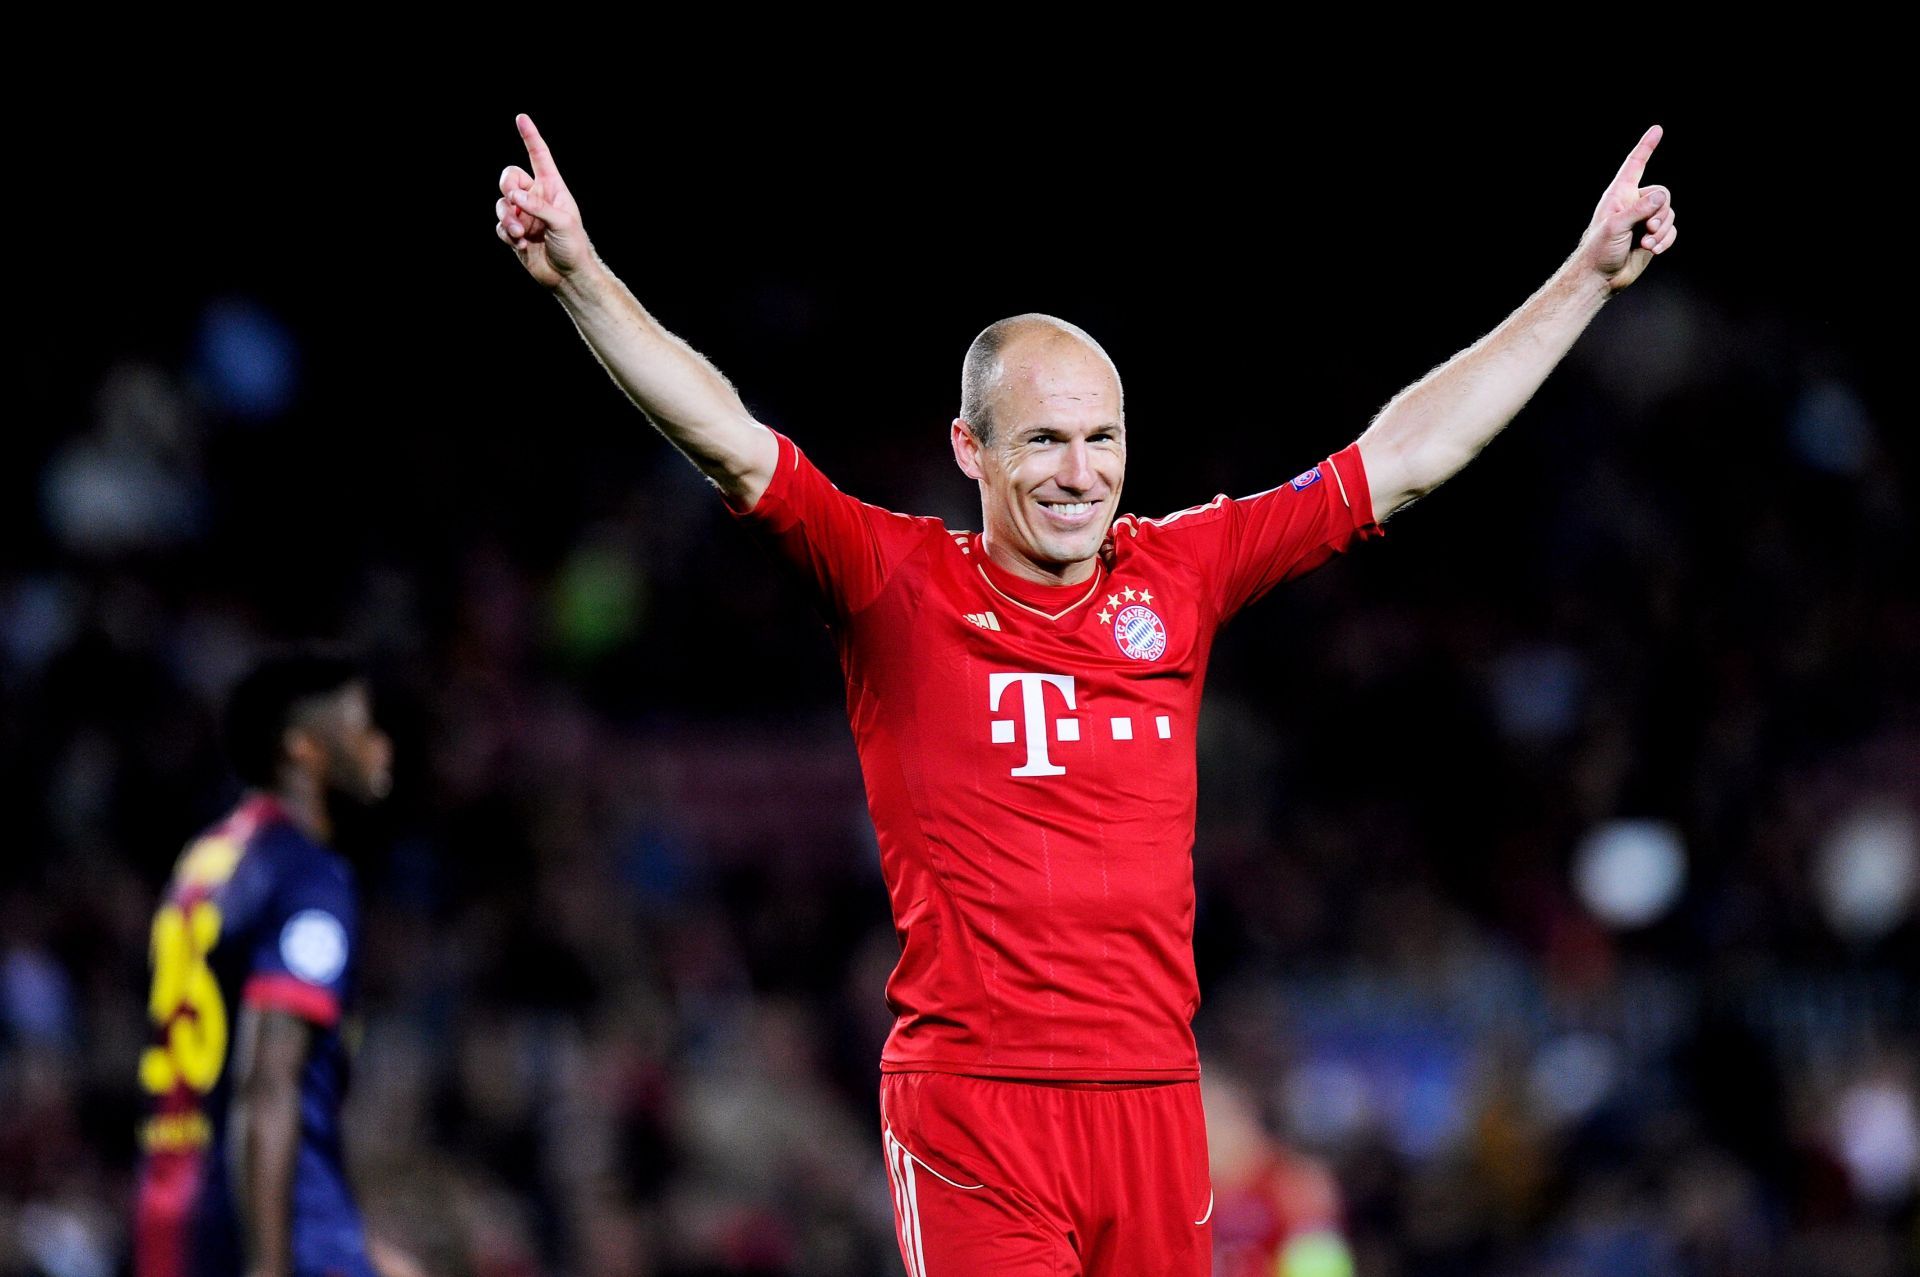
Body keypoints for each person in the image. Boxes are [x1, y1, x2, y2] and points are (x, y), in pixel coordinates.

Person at [494, 114, 1676, 1277]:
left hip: (1157, 1106)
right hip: (976, 1110)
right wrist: (582, 279)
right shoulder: (895, 583)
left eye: (1103, 437)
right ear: (971, 449)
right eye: (1044, 440)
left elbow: (1404, 456)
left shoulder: (1182, 570)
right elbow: (730, 440)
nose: (1081, 472)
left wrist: (1583, 280)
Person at [132, 650, 418, 1277]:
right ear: (305, 750)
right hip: (270, 1216)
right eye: (360, 725)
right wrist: (270, 1264)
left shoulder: (206, 863)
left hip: (169, 1201)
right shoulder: (308, 875)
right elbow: (267, 1086)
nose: (380, 746)